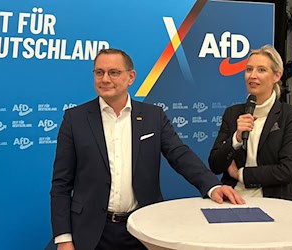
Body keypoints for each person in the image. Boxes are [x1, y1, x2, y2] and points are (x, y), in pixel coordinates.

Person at [50, 48, 245, 250]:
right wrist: (64, 239)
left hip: (142, 227)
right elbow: (61, 184)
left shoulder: (153, 116)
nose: (105, 79)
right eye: (99, 72)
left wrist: (212, 186)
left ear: (131, 77)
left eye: (114, 72)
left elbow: (180, 155)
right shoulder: (75, 119)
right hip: (91, 232)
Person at [208, 45, 292, 201]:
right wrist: (236, 139)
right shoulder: (233, 113)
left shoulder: (290, 115)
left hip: (275, 200)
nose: (252, 76)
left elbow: (288, 170)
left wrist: (241, 175)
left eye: (261, 70)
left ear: (276, 76)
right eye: (248, 70)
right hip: (234, 199)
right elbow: (214, 164)